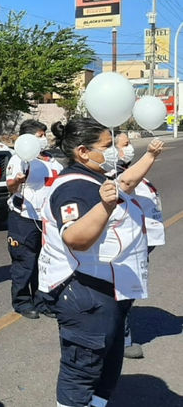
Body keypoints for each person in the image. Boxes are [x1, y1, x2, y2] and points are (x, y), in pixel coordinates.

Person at [39, 118, 163, 407]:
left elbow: (128, 182)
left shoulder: (99, 176)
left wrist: (150, 155)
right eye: (107, 146)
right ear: (83, 151)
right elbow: (75, 238)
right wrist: (105, 206)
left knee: (106, 369)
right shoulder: (72, 188)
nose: (113, 152)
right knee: (82, 371)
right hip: (84, 292)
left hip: (110, 291)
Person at [5, 120, 61, 319]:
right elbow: (11, 187)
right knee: (25, 262)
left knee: (44, 262)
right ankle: (22, 302)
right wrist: (18, 181)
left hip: (47, 220)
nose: (43, 139)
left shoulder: (53, 161)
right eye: (39, 135)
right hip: (24, 219)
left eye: (44, 134)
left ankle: (43, 301)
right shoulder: (18, 159)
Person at [116, 134, 162, 359]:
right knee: (121, 292)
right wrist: (151, 154)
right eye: (125, 144)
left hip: (142, 242)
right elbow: (125, 184)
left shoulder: (133, 171)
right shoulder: (116, 176)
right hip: (124, 245)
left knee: (127, 292)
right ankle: (121, 339)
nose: (130, 148)